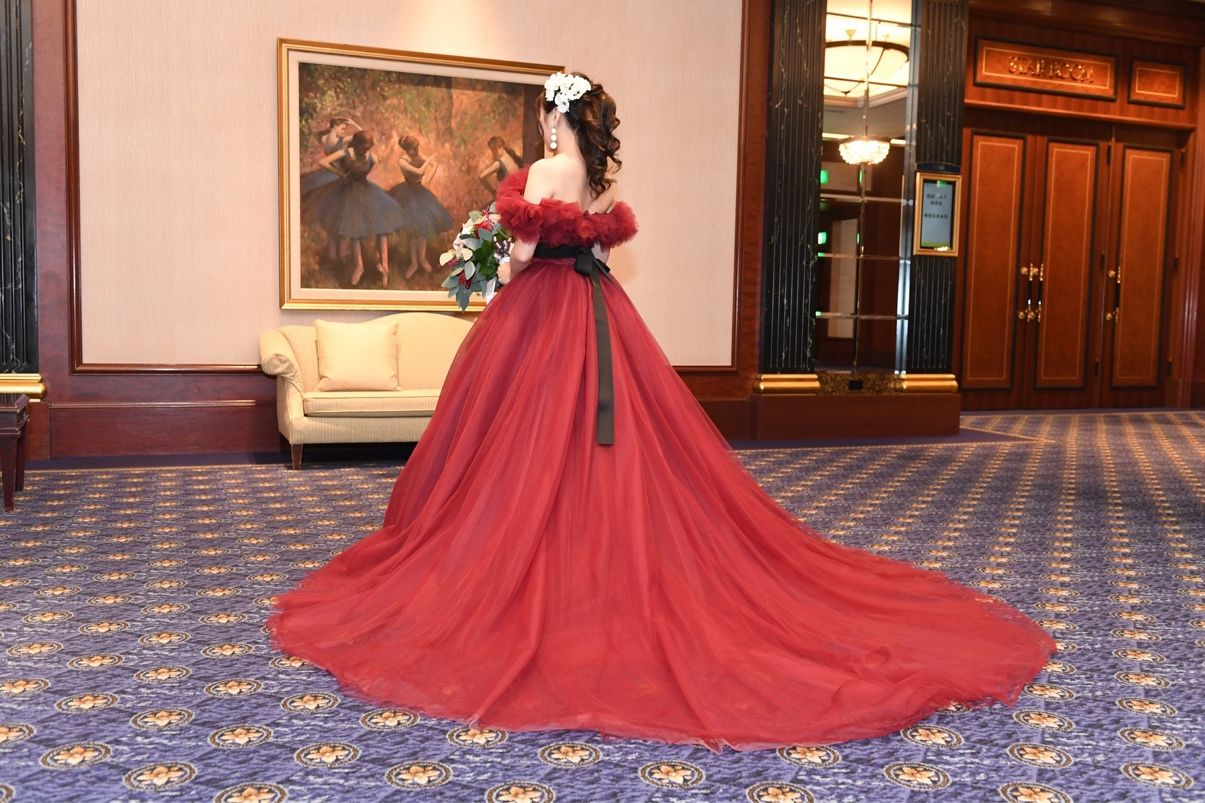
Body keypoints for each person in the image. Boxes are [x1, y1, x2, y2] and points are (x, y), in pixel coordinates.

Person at [269, 71, 1055, 751]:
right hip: (594, 315)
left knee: (518, 444)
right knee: (600, 443)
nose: (542, 125)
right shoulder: (595, 180)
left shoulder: (542, 169)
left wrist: (495, 258)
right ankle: (594, 563)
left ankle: (534, 570)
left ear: (552, 116)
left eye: (544, 113)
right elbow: (597, 255)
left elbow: (519, 259)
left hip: (537, 318)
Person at [303, 130, 406, 287]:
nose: (366, 150)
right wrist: (340, 173)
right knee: (354, 230)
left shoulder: (371, 157)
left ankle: (384, 266)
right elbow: (323, 162)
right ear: (357, 145)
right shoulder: (346, 153)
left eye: (368, 147)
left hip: (366, 191)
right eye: (364, 147)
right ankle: (359, 266)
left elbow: (373, 165)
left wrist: (362, 173)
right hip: (348, 192)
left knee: (382, 227)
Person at [388, 134, 456, 279]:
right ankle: (413, 262)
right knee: (412, 230)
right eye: (415, 148)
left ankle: (422, 258)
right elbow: (419, 171)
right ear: (408, 149)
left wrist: (427, 181)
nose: (418, 150)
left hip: (420, 192)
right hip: (407, 194)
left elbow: (434, 165)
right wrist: (429, 160)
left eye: (417, 147)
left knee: (423, 228)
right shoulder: (403, 161)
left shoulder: (418, 156)